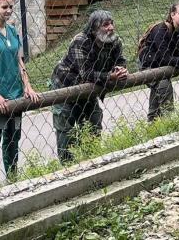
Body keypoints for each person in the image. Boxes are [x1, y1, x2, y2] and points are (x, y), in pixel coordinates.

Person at [51, 10, 128, 164]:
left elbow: (121, 60)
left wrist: (121, 69)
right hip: (66, 85)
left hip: (89, 88)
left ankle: (90, 160)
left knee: (94, 121)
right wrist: (110, 77)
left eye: (111, 23)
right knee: (66, 128)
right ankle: (68, 167)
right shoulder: (81, 41)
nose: (111, 28)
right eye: (105, 25)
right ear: (94, 28)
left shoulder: (115, 41)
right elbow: (86, 74)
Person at [0, 0, 39, 184]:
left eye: (11, 7)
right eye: (4, 7)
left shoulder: (13, 31)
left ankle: (12, 179)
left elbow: (19, 60)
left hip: (15, 97)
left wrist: (28, 86)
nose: (8, 11)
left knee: (12, 139)